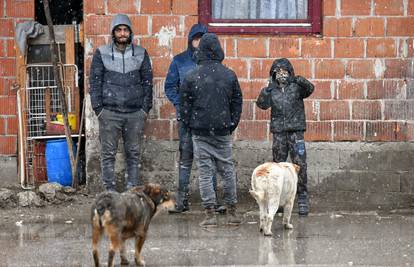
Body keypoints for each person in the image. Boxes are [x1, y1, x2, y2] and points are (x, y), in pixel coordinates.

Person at [180, 33, 243, 227]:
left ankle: (210, 214)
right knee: (227, 170)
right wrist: (231, 123)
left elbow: (184, 106)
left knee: (205, 172)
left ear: (201, 51)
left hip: (200, 131)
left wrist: (191, 123)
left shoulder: (192, 76)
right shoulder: (229, 75)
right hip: (222, 130)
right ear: (218, 50)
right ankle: (232, 212)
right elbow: (237, 102)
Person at [165, 24, 225, 214]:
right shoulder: (179, 61)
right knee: (186, 158)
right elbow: (170, 87)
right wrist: (180, 106)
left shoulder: (215, 63)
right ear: (190, 40)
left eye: (202, 39)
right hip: (186, 121)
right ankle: (182, 201)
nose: (198, 43)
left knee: (209, 159)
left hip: (207, 120)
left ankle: (213, 202)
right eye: (196, 39)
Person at [89, 14, 153, 191]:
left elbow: (148, 82)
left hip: (135, 114)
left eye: (125, 30)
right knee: (108, 153)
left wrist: (144, 109)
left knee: (133, 153)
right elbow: (94, 82)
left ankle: (132, 188)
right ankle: (109, 189)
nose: (122, 33)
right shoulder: (102, 53)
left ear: (130, 32)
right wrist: (99, 109)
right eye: (119, 30)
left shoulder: (141, 53)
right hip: (109, 113)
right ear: (113, 32)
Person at [256, 58, 314, 216]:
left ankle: (302, 196)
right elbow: (261, 104)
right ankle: (279, 199)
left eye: (285, 72)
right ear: (273, 74)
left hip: (296, 132)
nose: (282, 75)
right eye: (278, 72)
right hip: (279, 133)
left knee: (299, 164)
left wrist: (298, 79)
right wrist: (267, 89)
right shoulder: (272, 90)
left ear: (290, 73)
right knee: (277, 167)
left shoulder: (296, 87)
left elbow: (310, 88)